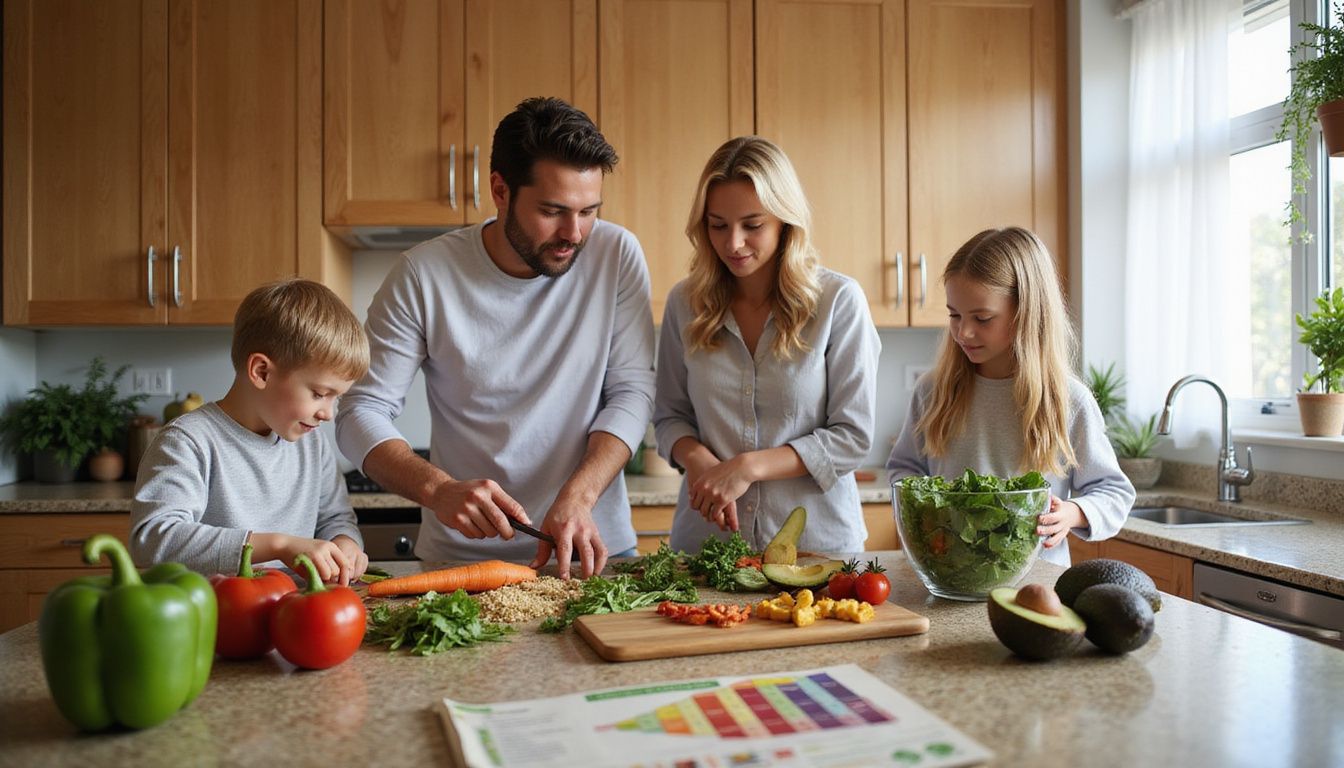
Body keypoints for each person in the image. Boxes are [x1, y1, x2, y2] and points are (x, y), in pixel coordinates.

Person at [335, 97, 655, 579]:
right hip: (465, 564)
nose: (574, 233)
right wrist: (437, 490)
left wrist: (578, 497)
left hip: (591, 552)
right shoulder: (424, 275)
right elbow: (360, 411)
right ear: (500, 190)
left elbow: (633, 390)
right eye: (553, 210)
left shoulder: (616, 254)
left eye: (589, 211)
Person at [654, 136, 881, 555]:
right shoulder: (684, 304)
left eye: (752, 225)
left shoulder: (838, 302)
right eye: (717, 225)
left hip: (817, 551)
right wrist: (701, 462)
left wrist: (747, 467)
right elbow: (669, 417)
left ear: (785, 220)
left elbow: (852, 437)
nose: (733, 243)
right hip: (708, 548)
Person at [886, 226, 1135, 566]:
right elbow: (904, 468)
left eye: (982, 318)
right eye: (954, 315)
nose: (964, 331)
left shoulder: (1068, 401)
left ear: (1027, 313)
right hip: (949, 574)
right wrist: (923, 506)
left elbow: (1115, 492)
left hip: (1037, 586)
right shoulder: (933, 391)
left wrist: (1075, 512)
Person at [130, 279, 370, 585]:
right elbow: (153, 539)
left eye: (337, 398)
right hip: (209, 619)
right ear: (261, 372)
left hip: (292, 613)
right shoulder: (188, 441)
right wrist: (280, 546)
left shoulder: (312, 444)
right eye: (320, 394)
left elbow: (336, 519)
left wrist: (345, 544)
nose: (329, 413)